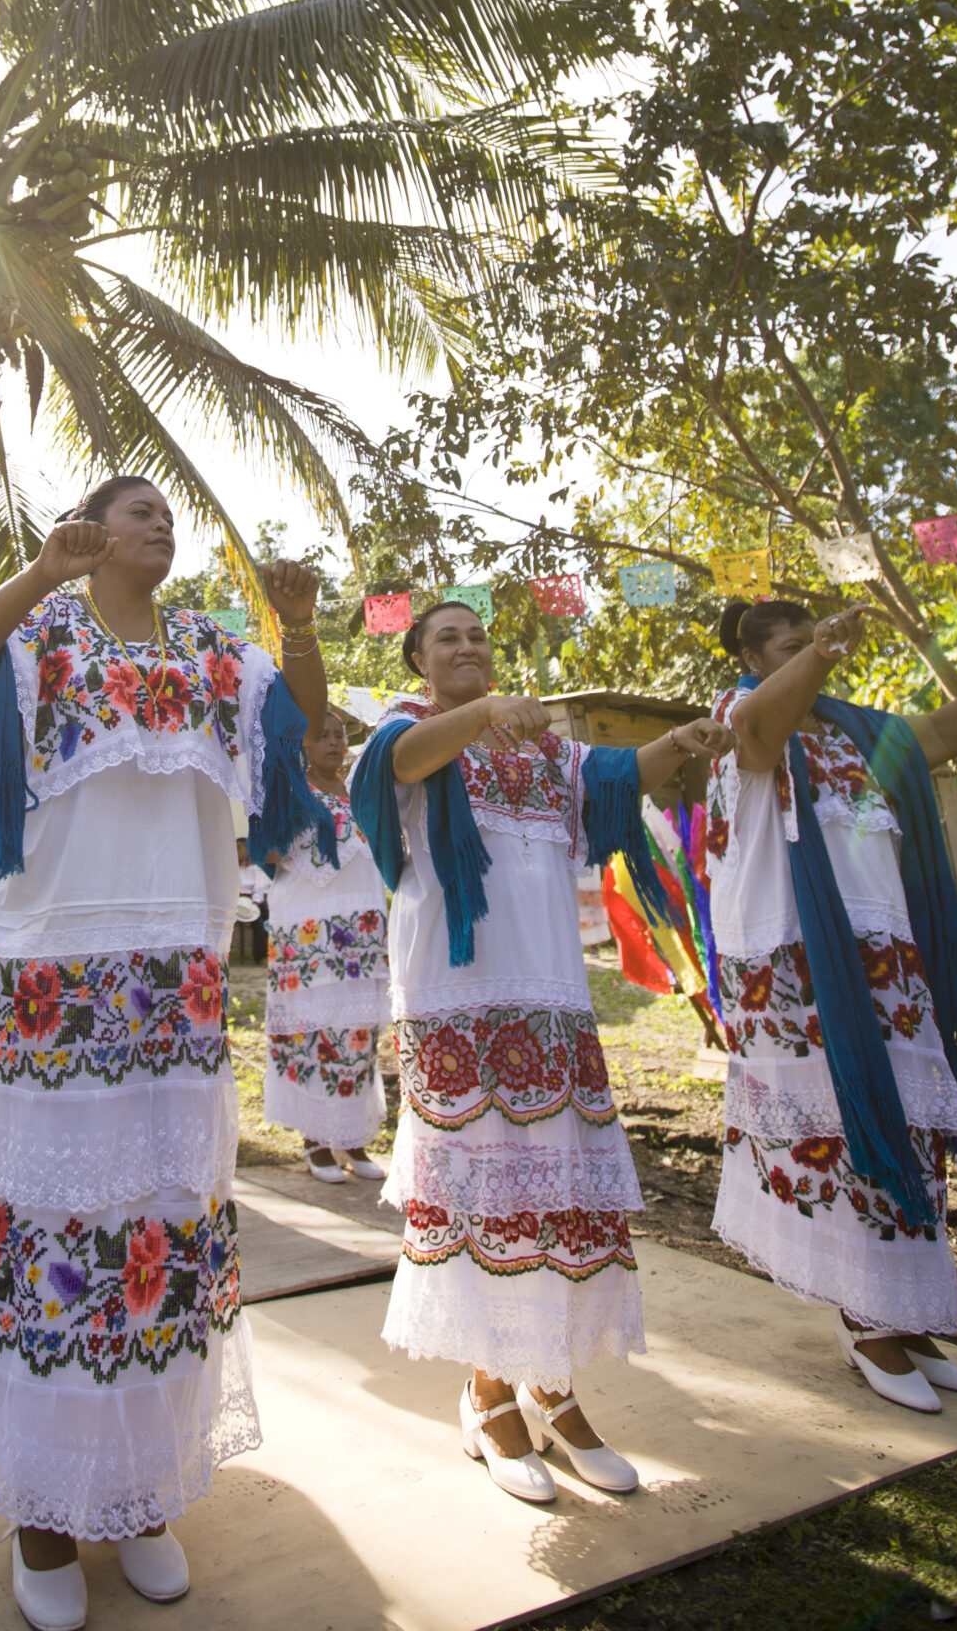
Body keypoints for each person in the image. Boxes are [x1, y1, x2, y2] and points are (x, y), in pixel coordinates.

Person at [0, 477, 334, 1631]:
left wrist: (297, 626)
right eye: (134, 511)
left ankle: (142, 1494)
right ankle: (43, 1512)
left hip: (175, 985)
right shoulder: (39, 636)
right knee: (55, 1230)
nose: (159, 524)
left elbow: (302, 730)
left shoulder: (216, 652)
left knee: (160, 1225)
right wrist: (42, 572)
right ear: (92, 530)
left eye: (167, 513)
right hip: (52, 981)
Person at [351, 599, 729, 1504]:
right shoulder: (407, 729)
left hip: (552, 1000)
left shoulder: (543, 749)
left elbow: (616, 778)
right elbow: (396, 768)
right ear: (416, 659)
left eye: (479, 634)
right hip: (458, 1002)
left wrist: (679, 741)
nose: (470, 646)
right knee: (485, 1197)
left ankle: (550, 1383)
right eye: (448, 637)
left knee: (557, 1190)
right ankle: (486, 1396)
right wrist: (482, 712)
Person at [709, 597, 957, 1412]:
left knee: (909, 1133)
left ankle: (910, 1315)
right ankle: (865, 1322)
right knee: (846, 1134)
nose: (813, 654)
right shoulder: (739, 716)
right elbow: (757, 737)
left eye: (814, 642)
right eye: (789, 647)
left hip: (885, 964)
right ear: (753, 662)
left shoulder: (851, 731)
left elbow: (929, 739)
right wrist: (815, 656)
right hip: (797, 971)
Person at [262, 705, 392, 1183]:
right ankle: (315, 1142)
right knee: (311, 1032)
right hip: (307, 928)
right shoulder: (289, 788)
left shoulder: (362, 790)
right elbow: (269, 849)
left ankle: (353, 1140)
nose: (334, 743)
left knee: (358, 1032)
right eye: (323, 735)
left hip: (359, 927)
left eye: (339, 735)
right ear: (303, 745)